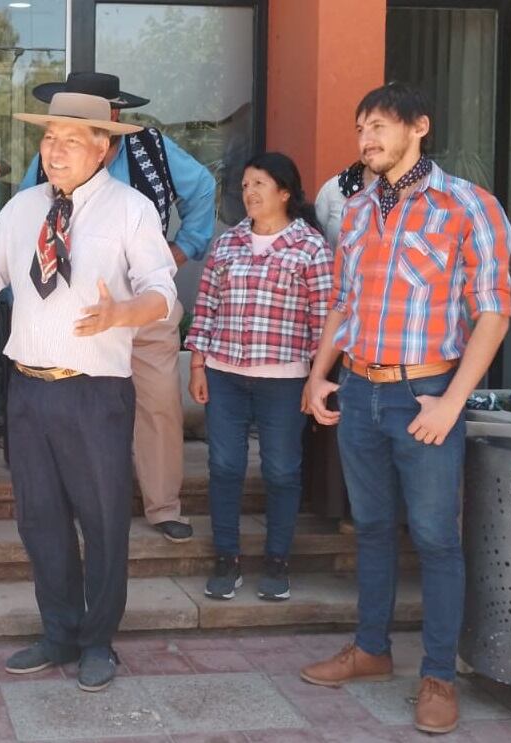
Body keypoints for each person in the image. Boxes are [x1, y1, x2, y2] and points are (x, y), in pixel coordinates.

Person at [0, 92, 177, 692]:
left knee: (102, 521)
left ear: (103, 146)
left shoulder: (131, 210)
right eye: (49, 138)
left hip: (95, 393)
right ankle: (59, 631)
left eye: (71, 139)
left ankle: (98, 640)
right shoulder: (22, 208)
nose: (55, 150)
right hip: (28, 390)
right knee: (39, 519)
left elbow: (163, 292)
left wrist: (124, 311)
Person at [299, 83, 511, 736]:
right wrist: (318, 376)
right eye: (360, 126)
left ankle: (439, 675)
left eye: (381, 126)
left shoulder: (467, 206)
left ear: (420, 126)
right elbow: (342, 303)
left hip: (425, 395)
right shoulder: (358, 210)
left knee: (435, 536)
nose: (366, 138)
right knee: (369, 528)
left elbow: (494, 311)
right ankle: (371, 649)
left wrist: (452, 400)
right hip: (360, 391)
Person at [18, 72, 216, 542]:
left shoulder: (154, 147)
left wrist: (183, 248)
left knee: (157, 402)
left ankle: (163, 504)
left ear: (115, 115)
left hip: (146, 301)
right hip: (78, 308)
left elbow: (204, 187)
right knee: (81, 405)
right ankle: (90, 503)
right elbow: (27, 208)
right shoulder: (55, 154)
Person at [183, 152, 333, 602]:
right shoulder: (227, 244)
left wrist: (316, 378)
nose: (249, 192)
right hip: (225, 374)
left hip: (285, 379)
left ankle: (277, 561)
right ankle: (226, 560)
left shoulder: (310, 246)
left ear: (285, 192)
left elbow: (324, 319)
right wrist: (197, 363)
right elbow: (205, 306)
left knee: (282, 470)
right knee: (224, 467)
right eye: (245, 185)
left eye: (259, 184)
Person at [306, 157, 373, 525]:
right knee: (333, 408)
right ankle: (333, 505)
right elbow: (321, 244)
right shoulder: (335, 190)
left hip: (385, 322)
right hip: (336, 311)